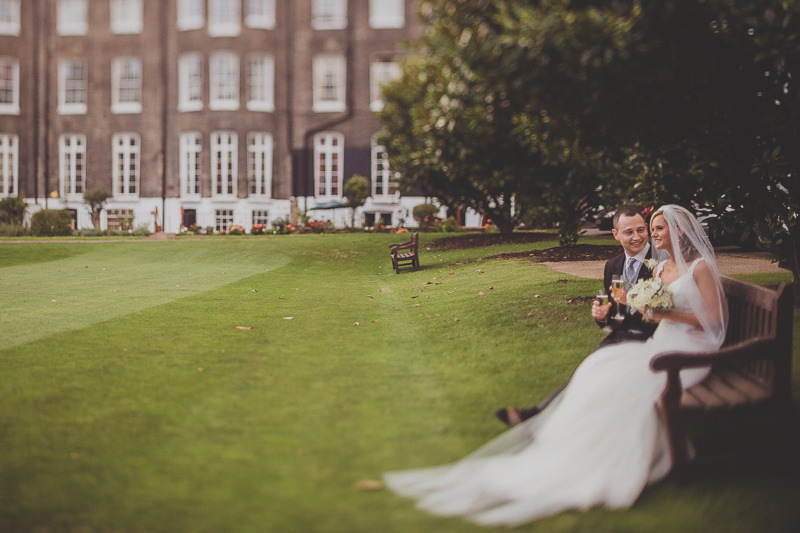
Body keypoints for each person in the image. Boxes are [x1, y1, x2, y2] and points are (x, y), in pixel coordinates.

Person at [384, 205, 727, 527]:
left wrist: (657, 313)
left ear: (678, 231)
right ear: (616, 235)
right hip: (648, 340)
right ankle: (566, 442)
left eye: (651, 229)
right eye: (637, 231)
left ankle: (572, 439)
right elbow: (618, 317)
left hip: (674, 346)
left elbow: (701, 317)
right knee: (597, 369)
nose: (645, 236)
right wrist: (604, 317)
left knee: (610, 374)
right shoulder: (639, 267)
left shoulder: (680, 267)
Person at [495, 205, 661, 426]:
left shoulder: (662, 263)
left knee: (597, 379)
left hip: (652, 338)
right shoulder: (613, 266)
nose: (636, 237)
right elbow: (611, 321)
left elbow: (666, 312)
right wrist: (601, 315)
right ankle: (541, 417)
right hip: (618, 338)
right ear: (616, 235)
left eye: (641, 230)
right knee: (584, 374)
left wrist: (630, 300)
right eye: (629, 232)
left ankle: (538, 418)